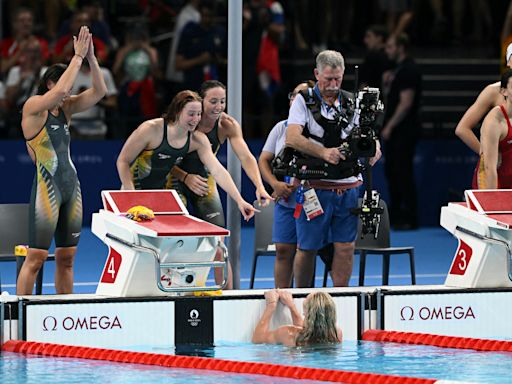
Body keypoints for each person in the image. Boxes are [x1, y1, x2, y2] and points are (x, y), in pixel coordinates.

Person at [17, 26, 107, 295]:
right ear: (49, 83)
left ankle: (62, 309)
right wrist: (76, 57)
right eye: (63, 84)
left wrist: (90, 58)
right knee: (36, 258)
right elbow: (58, 93)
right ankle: (19, 315)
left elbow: (100, 92)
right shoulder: (34, 106)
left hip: (72, 189)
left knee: (67, 258)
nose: (68, 91)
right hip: (47, 191)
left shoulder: (65, 110)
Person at [285, 50, 381, 287]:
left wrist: (374, 147)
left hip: (347, 187)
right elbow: (292, 138)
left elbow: (367, 134)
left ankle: (341, 298)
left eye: (337, 78)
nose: (333, 84)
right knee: (307, 248)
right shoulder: (302, 100)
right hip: (314, 188)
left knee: (346, 247)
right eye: (327, 78)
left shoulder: (352, 101)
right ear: (317, 74)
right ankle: (303, 297)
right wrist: (323, 153)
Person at [168, 80, 272, 289]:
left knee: (218, 243)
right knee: (175, 241)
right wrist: (185, 176)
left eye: (222, 101)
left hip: (205, 180)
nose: (218, 106)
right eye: (213, 101)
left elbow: (246, 157)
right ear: (201, 101)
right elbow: (162, 160)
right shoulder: (186, 120)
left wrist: (260, 186)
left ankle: (227, 297)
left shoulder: (227, 125)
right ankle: (173, 292)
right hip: (174, 179)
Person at [116, 89, 258, 224]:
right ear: (177, 111)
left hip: (162, 194)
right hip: (133, 190)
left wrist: (240, 200)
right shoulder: (151, 129)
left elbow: (217, 170)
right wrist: (131, 195)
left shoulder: (197, 140)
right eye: (191, 114)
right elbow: (123, 161)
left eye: (199, 114)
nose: (195, 119)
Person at [258, 80, 318, 288]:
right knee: (283, 250)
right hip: (285, 199)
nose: (295, 99)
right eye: (293, 95)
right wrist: (275, 184)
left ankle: (304, 299)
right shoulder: (281, 127)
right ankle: (282, 297)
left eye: (301, 96)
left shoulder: (321, 129)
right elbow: (263, 159)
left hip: (313, 200)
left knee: (306, 251)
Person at [382, 33, 422, 230]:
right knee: (392, 172)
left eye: (390, 46)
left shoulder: (409, 70)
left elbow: (406, 104)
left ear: (401, 47)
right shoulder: (397, 70)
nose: (387, 50)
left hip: (404, 131)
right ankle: (396, 215)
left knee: (402, 173)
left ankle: (410, 217)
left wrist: (389, 126)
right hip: (396, 132)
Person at [455, 43, 512, 155]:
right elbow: (462, 129)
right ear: (508, 63)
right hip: (500, 167)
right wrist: (487, 155)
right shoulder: (493, 91)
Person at [252, 289, 342, 346]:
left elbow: (257, 339)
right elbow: (309, 329)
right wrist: (291, 306)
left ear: (307, 313)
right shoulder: (336, 334)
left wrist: (271, 305)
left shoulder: (289, 333)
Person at [473, 69, 512, 189]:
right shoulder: (494, 121)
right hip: (493, 183)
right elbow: (489, 169)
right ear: (503, 91)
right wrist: (493, 201)